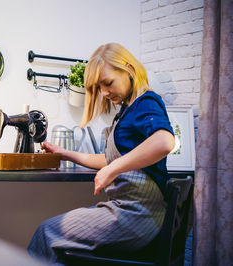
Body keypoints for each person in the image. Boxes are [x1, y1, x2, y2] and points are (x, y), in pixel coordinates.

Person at [27, 43, 176, 264]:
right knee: (59, 245)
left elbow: (164, 142)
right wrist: (65, 153)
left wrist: (112, 169)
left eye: (108, 83)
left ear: (128, 69)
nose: (104, 93)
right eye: (99, 87)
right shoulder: (129, 109)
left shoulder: (146, 102)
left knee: (46, 232)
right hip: (135, 214)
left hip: (137, 216)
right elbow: (110, 159)